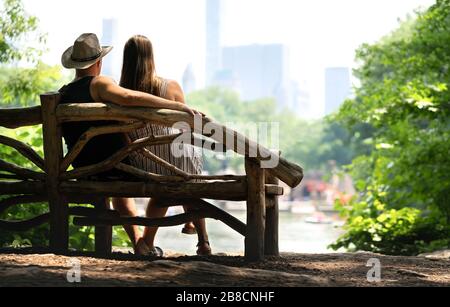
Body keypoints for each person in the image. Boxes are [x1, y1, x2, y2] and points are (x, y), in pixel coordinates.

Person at [59, 33, 203, 256]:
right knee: (163, 176)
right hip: (117, 168)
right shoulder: (99, 83)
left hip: (82, 170)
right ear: (99, 62)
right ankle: (144, 244)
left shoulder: (63, 93)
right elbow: (129, 97)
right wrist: (176, 107)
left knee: (122, 188)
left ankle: (139, 244)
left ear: (75, 65)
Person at [120, 35, 212, 256]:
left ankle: (146, 243)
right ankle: (203, 242)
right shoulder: (170, 87)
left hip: (147, 161)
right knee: (184, 172)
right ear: (151, 58)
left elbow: (124, 137)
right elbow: (186, 126)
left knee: (163, 182)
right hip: (182, 160)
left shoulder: (120, 93)